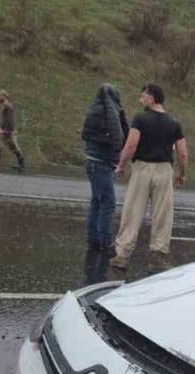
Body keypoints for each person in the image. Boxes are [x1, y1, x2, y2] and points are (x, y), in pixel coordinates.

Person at [112, 83, 188, 272]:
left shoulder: (141, 118)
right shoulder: (174, 123)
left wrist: (121, 165)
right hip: (164, 171)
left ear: (152, 98)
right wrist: (182, 174)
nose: (141, 100)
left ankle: (122, 256)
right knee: (163, 215)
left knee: (132, 212)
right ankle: (157, 257)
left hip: (142, 169)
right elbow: (183, 153)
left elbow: (131, 145)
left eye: (143, 96)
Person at [81, 83, 127, 253]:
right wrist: (119, 153)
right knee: (108, 203)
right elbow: (117, 135)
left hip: (92, 160)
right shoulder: (110, 111)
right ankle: (106, 241)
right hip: (103, 162)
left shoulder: (93, 110)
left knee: (96, 201)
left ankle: (93, 239)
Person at [0, 90, 25, 171]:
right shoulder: (5, 106)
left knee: (14, 147)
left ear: (4, 96)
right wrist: (2, 129)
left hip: (8, 130)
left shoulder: (8, 106)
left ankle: (21, 164)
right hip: (3, 129)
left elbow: (10, 120)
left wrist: (7, 130)